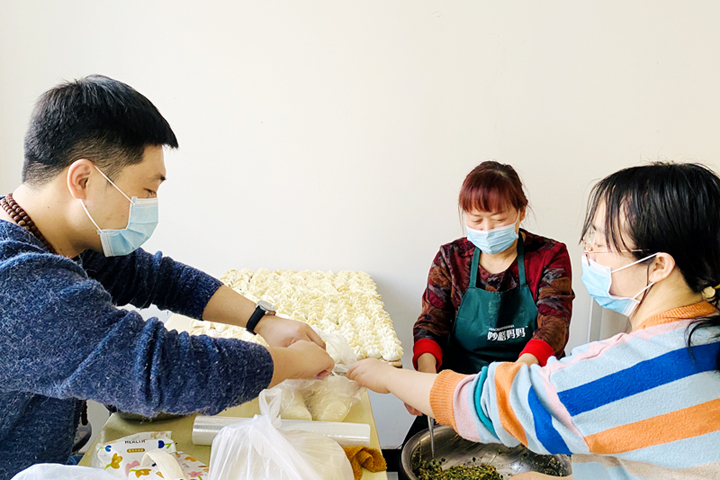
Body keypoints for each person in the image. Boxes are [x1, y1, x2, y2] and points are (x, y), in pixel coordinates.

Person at [0, 75, 334, 480]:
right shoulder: (19, 285)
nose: (151, 205)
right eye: (146, 190)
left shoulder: (55, 239)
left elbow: (157, 278)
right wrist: (295, 362)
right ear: (83, 180)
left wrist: (262, 320)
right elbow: (165, 370)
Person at [350, 162, 720, 479]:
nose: (587, 248)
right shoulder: (705, 338)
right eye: (590, 233)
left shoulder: (621, 370)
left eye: (602, 238)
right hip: (466, 380)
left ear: (658, 264)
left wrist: (387, 377)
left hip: (504, 387)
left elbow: (496, 397)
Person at [405, 161, 574, 444]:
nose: (487, 229)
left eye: (498, 219)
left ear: (521, 212)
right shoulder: (451, 258)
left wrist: (512, 380)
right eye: (476, 220)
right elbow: (431, 323)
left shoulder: (549, 255)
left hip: (527, 382)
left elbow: (554, 324)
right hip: (459, 385)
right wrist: (426, 376)